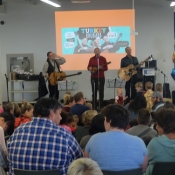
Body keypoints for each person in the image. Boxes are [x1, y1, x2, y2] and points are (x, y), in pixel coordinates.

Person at [7, 98, 83, 175]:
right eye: (59, 113)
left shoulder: (17, 132)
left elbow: (9, 158)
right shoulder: (65, 136)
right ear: (51, 113)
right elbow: (80, 161)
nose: (61, 117)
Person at [84, 104, 148, 172]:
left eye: (105, 119)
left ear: (110, 121)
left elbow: (86, 167)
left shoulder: (94, 139)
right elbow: (143, 170)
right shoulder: (139, 142)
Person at [145, 109, 175, 175]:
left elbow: (144, 164)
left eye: (157, 125)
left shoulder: (154, 143)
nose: (156, 128)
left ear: (163, 127)